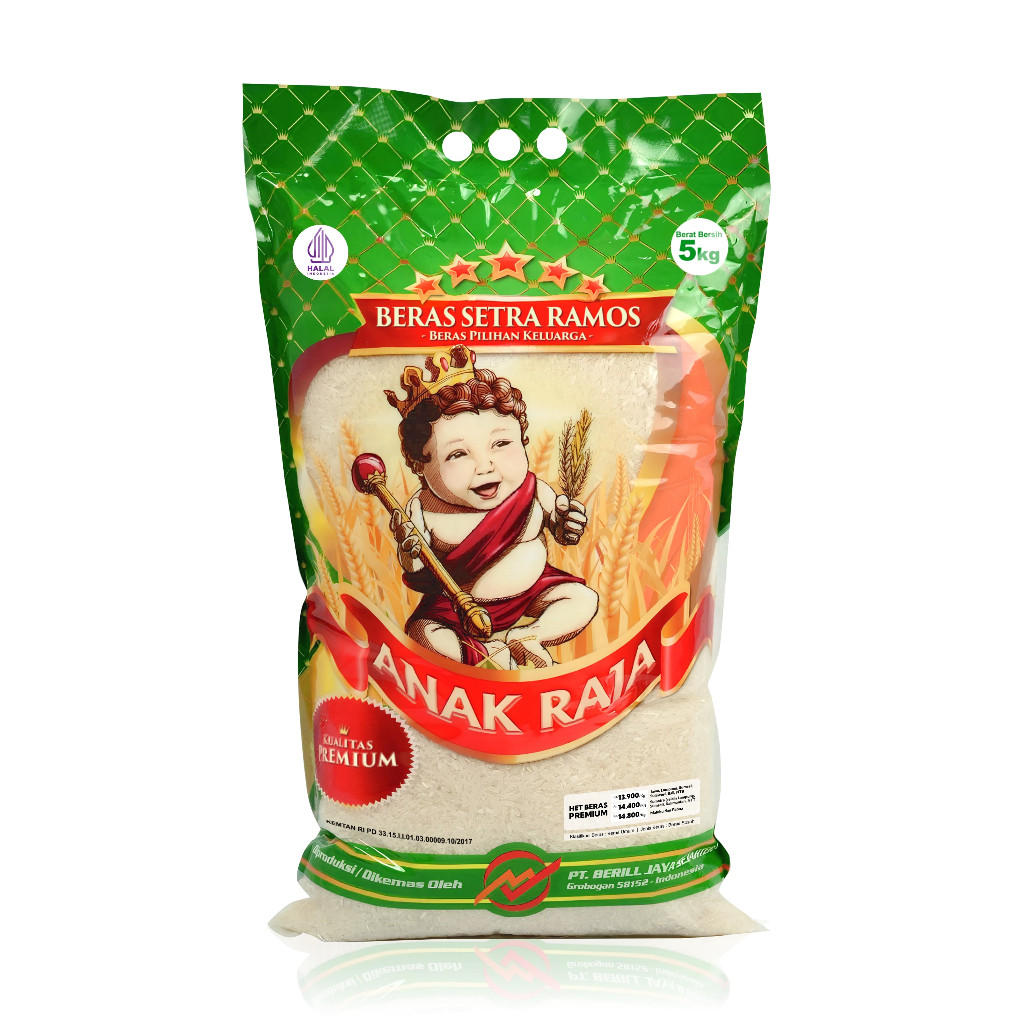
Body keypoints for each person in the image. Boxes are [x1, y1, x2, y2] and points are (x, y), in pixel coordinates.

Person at [384, 345, 598, 668]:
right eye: (458, 454)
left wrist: (566, 523)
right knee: (423, 633)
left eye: (501, 444)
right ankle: (487, 654)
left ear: (523, 441)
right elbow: (415, 566)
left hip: (532, 592)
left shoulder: (532, 489)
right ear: (420, 466)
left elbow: (558, 525)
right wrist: (410, 548)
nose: (485, 467)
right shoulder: (423, 509)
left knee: (582, 599)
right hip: (456, 607)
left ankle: (528, 637)